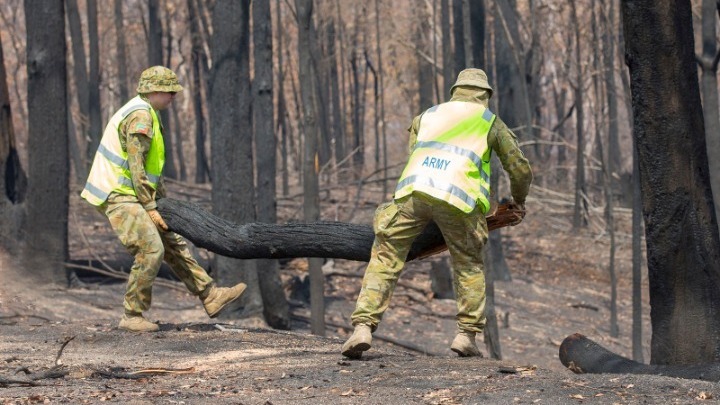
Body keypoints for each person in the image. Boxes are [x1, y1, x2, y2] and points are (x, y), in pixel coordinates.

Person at [341, 68, 533, 358]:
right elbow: (519, 167)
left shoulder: (426, 116)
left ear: (456, 90)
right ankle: (466, 335)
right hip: (459, 200)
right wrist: (518, 199)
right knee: (468, 264)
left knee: (386, 256)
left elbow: (414, 155)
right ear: (485, 95)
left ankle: (363, 327)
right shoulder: (489, 122)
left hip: (414, 193)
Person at [81, 66, 246, 332]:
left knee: (171, 242)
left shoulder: (147, 113)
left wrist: (161, 205)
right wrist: (150, 206)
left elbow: (150, 169)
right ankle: (132, 315)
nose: (173, 97)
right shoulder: (140, 117)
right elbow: (136, 167)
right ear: (154, 91)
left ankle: (210, 296)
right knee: (151, 250)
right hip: (118, 195)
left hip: (133, 195)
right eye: (169, 92)